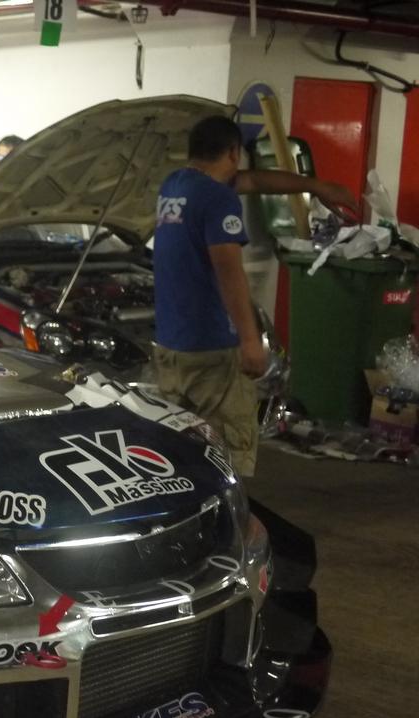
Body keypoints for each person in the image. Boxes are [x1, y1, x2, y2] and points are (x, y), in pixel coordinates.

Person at [151, 114, 355, 476]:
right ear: (233, 152)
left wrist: (317, 186)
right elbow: (228, 270)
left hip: (172, 347)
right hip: (212, 349)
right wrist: (249, 340)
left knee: (180, 450)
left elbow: (257, 180)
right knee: (227, 453)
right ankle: (229, 511)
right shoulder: (217, 199)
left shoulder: (175, 185)